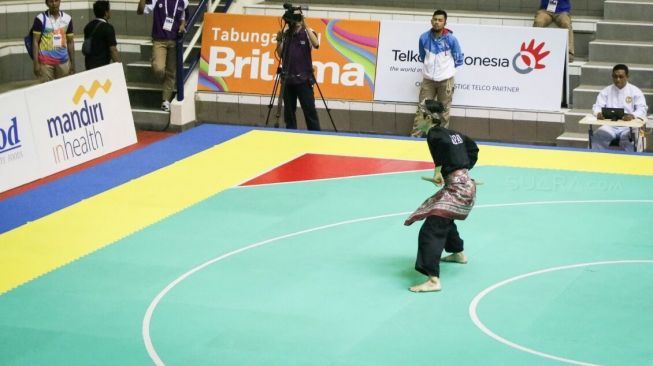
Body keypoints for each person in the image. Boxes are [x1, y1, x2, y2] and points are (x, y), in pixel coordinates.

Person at [405, 100, 478, 293]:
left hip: (458, 190)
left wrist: (439, 170)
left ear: (428, 118)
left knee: (431, 229)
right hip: (466, 185)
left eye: (418, 116)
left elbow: (441, 146)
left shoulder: (434, 134)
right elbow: (473, 148)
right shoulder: (454, 133)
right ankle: (457, 253)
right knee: (442, 217)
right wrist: (461, 170)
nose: (416, 119)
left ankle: (433, 280)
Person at [411, 9, 463, 137]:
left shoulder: (451, 39)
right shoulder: (423, 37)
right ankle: (416, 138)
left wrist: (446, 71)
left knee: (443, 112)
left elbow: (458, 59)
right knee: (423, 110)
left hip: (446, 81)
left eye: (440, 20)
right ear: (431, 21)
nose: (437, 22)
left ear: (445, 23)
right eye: (435, 20)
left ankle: (441, 139)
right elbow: (423, 57)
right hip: (428, 80)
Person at [137, 0, 188, 112]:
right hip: (159, 41)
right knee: (158, 68)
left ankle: (165, 100)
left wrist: (182, 25)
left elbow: (184, 18)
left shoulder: (184, 1)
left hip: (174, 41)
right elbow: (141, 11)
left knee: (171, 73)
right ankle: (158, 65)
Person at [275, 13, 321, 131]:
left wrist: (304, 24)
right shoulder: (286, 33)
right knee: (289, 113)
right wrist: (279, 41)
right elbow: (280, 54)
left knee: (309, 110)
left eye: (296, 18)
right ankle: (291, 134)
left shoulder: (308, 31)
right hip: (288, 79)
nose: (294, 21)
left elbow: (316, 44)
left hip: (304, 79)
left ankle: (315, 133)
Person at [591, 64, 648, 151]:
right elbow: (597, 107)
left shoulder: (635, 91)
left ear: (627, 76)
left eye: (621, 77)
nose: (618, 79)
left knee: (635, 138)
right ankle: (600, 160)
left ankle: (632, 162)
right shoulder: (606, 91)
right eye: (615, 77)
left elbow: (642, 109)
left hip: (630, 126)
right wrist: (598, 113)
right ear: (612, 76)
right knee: (598, 136)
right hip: (610, 125)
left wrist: (632, 115)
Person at [31, 0, 75, 83]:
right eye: (51, 1)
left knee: (63, 89)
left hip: (63, 62)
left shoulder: (67, 18)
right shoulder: (40, 18)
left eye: (56, 1)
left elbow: (70, 42)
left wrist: (72, 63)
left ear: (60, 1)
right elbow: (35, 41)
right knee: (46, 91)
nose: (54, 3)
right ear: (46, 3)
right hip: (45, 64)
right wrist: (36, 63)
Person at [83, 1, 120, 70]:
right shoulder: (108, 27)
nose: (110, 12)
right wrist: (119, 66)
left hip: (89, 65)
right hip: (102, 66)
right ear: (106, 13)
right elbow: (113, 50)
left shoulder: (88, 26)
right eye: (109, 10)